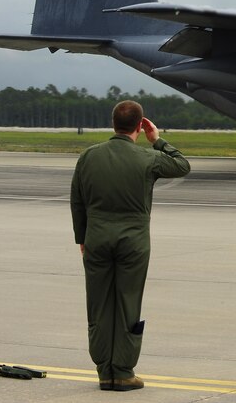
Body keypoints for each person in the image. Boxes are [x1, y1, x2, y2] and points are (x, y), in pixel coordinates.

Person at [70, 100, 190, 391]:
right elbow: (182, 166)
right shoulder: (146, 158)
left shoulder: (89, 156)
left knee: (98, 305)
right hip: (133, 243)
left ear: (113, 124)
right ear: (140, 126)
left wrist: (82, 238)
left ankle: (103, 370)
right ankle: (123, 372)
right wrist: (157, 140)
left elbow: (77, 200)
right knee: (127, 303)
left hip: (97, 238)